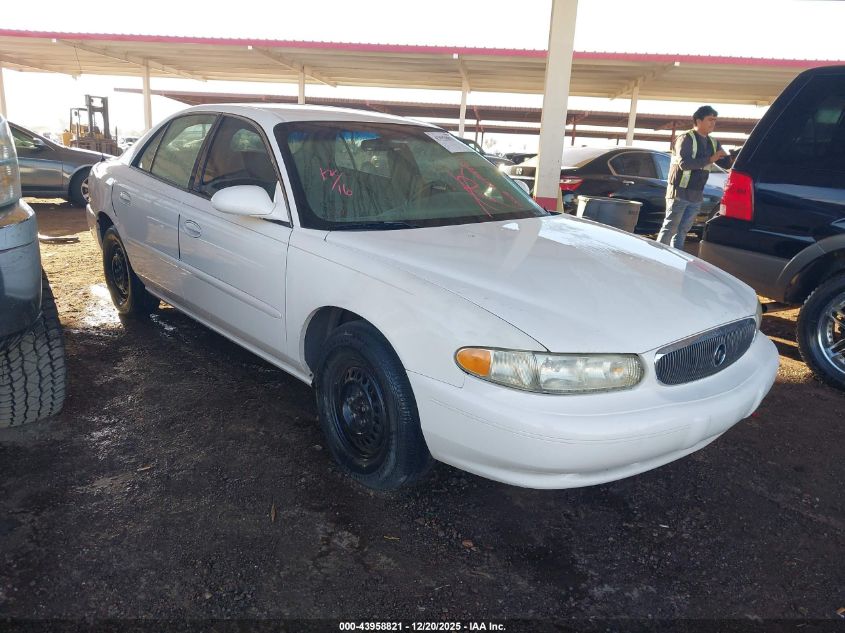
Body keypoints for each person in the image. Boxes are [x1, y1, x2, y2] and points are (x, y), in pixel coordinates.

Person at [656, 105, 732, 249]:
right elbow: (684, 164)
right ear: (698, 121)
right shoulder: (685, 138)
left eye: (715, 120)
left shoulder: (713, 142)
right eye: (710, 119)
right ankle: (659, 257)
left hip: (696, 194)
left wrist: (732, 157)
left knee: (683, 230)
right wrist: (711, 159)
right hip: (679, 192)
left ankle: (676, 257)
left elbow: (726, 163)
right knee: (670, 228)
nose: (713, 123)